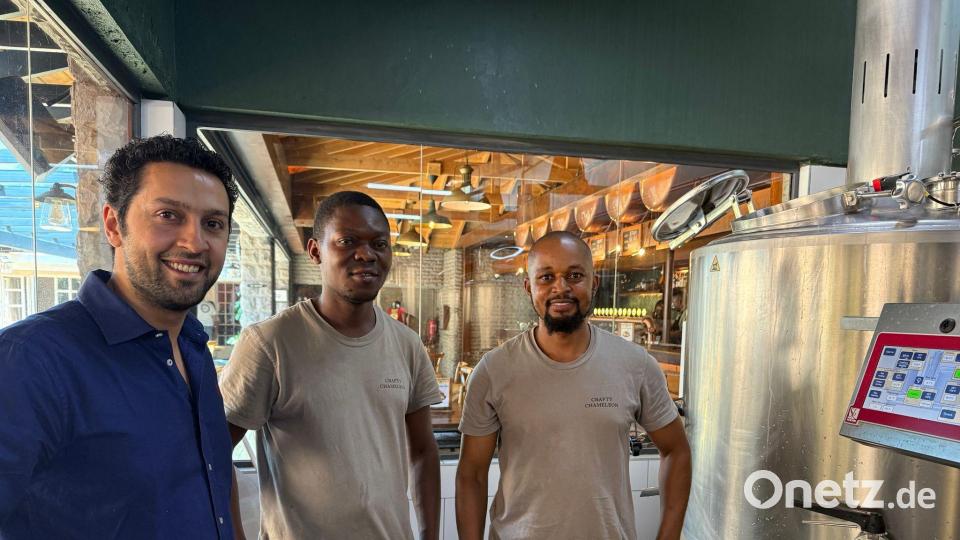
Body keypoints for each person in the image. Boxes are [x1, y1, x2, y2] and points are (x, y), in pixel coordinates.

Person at [0, 135, 239, 538]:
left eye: (212, 223)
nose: (195, 242)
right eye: (168, 215)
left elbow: (215, 479)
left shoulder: (194, 347)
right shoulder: (32, 358)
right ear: (114, 225)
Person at [220, 191, 442, 539]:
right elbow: (213, 452)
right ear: (315, 251)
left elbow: (423, 450)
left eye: (379, 243)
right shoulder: (269, 343)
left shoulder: (407, 344)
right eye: (347, 241)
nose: (366, 254)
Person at [456, 231, 692, 540]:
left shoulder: (635, 365)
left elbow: (676, 450)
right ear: (529, 288)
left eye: (574, 275)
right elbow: (471, 474)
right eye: (546, 277)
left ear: (593, 284)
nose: (561, 288)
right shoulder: (495, 370)